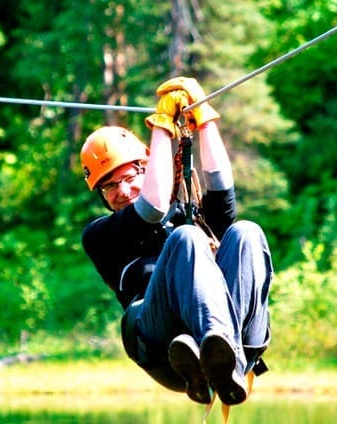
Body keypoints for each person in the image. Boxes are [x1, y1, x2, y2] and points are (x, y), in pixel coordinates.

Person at [79, 77, 272, 406]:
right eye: (109, 186)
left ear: (147, 168)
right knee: (185, 238)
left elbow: (222, 188)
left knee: (246, 232)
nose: (122, 191)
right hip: (163, 346)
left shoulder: (187, 212)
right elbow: (152, 207)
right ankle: (211, 355)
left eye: (129, 177)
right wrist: (163, 126)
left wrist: (204, 119)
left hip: (235, 344)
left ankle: (226, 362)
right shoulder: (101, 235)